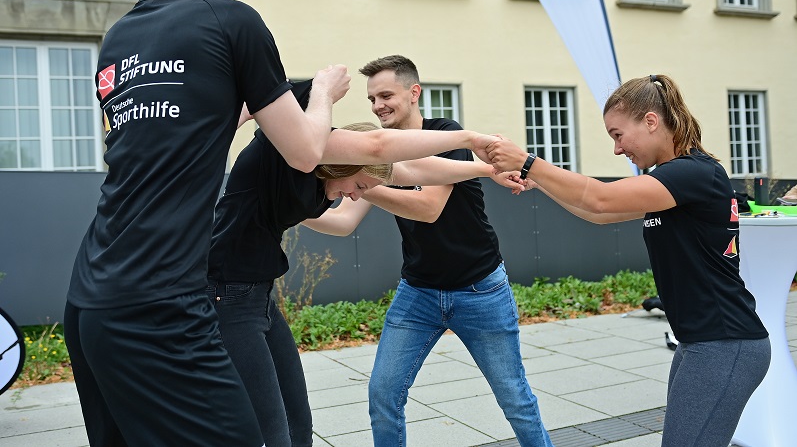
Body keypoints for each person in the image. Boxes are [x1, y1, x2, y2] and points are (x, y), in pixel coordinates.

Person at [63, 0, 355, 445]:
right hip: (161, 300)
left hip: (90, 300)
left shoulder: (119, 37)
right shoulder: (233, 21)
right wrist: (321, 94)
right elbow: (305, 153)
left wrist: (238, 110)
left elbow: (171, 135)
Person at [208, 80, 523, 447]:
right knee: (273, 434)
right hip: (226, 295)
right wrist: (323, 87)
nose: (358, 195)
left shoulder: (328, 182)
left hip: (259, 296)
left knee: (299, 427)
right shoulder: (290, 156)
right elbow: (292, 98)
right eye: (358, 184)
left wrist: (485, 171)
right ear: (344, 163)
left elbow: (414, 172)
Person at [487, 74, 771, 447]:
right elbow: (600, 214)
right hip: (701, 342)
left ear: (651, 121)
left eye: (618, 135)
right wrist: (542, 183)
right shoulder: (672, 179)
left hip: (725, 343)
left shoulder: (694, 172)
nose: (618, 150)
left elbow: (600, 199)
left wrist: (528, 163)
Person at [302, 55, 554, 447]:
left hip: (479, 290)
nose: (377, 105)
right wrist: (291, 212)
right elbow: (342, 221)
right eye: (371, 99)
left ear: (413, 92)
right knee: (383, 395)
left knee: (514, 399)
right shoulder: (379, 155)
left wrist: (364, 178)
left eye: (385, 94)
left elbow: (428, 207)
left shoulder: (443, 133)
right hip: (418, 292)